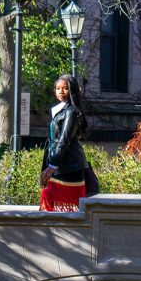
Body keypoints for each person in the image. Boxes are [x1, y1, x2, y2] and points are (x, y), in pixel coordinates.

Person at [39, 75, 95, 212]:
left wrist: (52, 165)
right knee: (48, 199)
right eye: (58, 88)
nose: (61, 92)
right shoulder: (59, 110)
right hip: (55, 161)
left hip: (69, 165)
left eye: (65, 89)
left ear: (72, 91)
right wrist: (50, 163)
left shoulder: (72, 111)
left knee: (62, 203)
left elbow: (64, 140)